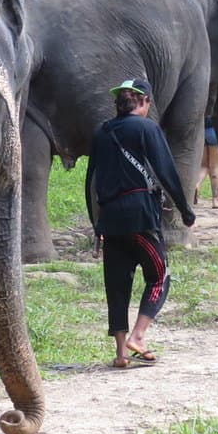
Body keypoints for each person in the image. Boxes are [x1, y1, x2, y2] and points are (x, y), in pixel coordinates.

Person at [84, 78, 194, 369]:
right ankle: (139, 336)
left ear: (119, 103)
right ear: (144, 102)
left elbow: (90, 180)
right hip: (140, 214)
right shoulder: (147, 128)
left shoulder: (102, 132)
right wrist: (185, 209)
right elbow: (166, 170)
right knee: (159, 275)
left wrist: (97, 226)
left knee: (117, 286)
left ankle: (121, 354)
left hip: (110, 218)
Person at [194, 115, 218, 207]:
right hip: (213, 131)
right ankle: (216, 199)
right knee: (215, 166)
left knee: (204, 166)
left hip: (202, 132)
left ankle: (195, 186)